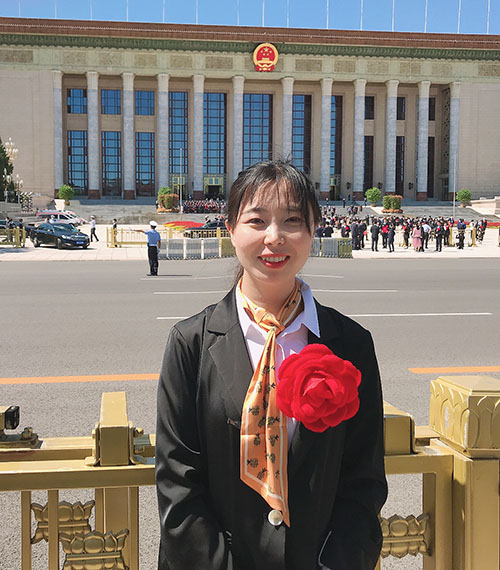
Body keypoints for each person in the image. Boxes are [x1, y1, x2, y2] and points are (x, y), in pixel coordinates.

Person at [156, 161, 387, 570]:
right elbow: (179, 486)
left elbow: (363, 483)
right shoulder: (190, 344)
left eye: (292, 220)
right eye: (257, 221)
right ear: (231, 228)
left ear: (314, 229)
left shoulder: (350, 345)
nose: (274, 237)